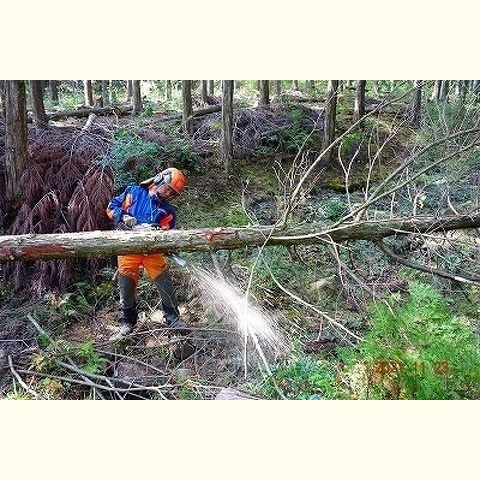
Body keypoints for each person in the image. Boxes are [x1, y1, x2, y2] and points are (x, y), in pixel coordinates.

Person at [106, 167, 188, 340]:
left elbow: (168, 231)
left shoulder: (168, 211)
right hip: (128, 247)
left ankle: (173, 320)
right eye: (167, 189)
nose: (167, 194)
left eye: (172, 193)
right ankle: (128, 322)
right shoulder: (134, 192)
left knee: (165, 284)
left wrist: (159, 231)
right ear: (159, 179)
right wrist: (124, 217)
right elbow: (111, 207)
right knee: (126, 286)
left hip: (153, 252)